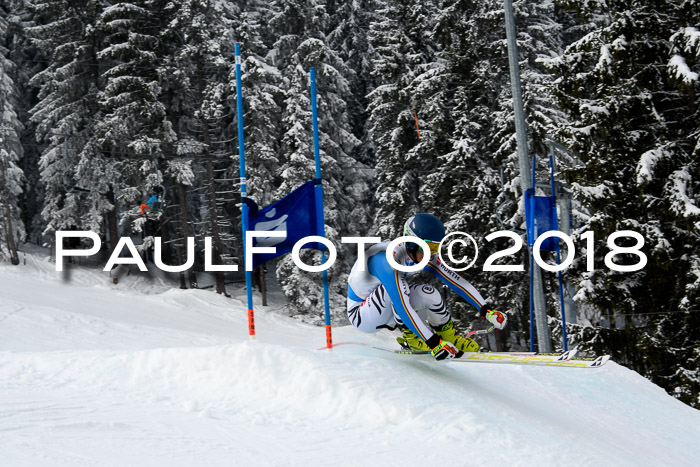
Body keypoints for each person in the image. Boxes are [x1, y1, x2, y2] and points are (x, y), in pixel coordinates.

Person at [346, 213, 507, 360]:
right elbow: (402, 307)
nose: (431, 254)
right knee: (397, 290)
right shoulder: (388, 260)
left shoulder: (420, 253)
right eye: (428, 248)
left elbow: (456, 281)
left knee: (430, 293)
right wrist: (433, 343)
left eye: (436, 248)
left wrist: (486, 310)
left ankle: (450, 338)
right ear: (411, 243)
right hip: (362, 315)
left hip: (385, 307)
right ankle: (415, 340)